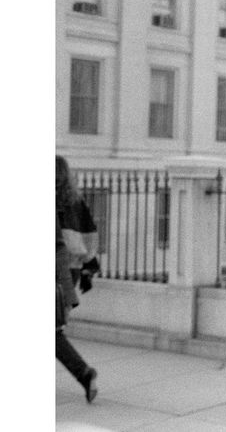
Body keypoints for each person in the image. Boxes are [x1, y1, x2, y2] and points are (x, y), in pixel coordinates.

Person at [56, 157, 98, 403]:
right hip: (69, 271)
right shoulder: (75, 201)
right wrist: (88, 267)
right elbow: (91, 233)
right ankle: (83, 373)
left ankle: (83, 372)